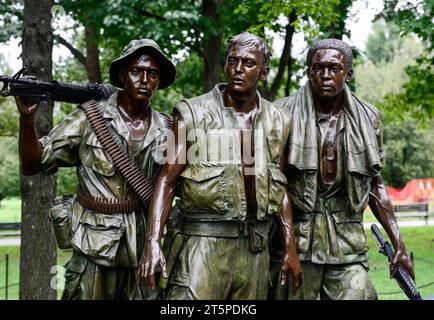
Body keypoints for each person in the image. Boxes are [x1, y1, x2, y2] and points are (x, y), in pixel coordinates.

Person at [139, 32, 302, 300]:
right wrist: (153, 241)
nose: (238, 69)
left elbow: (279, 185)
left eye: (248, 63)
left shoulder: (279, 121)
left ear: (263, 72)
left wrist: (289, 246)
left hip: (254, 250)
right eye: (232, 61)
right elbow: (166, 181)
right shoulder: (193, 113)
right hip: (203, 244)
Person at [14, 39, 176, 300]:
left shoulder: (168, 128)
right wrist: (27, 119)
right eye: (136, 71)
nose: (144, 79)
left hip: (144, 250)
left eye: (153, 73)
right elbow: (33, 164)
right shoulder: (89, 118)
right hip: (94, 249)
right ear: (123, 76)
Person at [269, 38, 415, 300]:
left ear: (348, 73)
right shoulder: (282, 114)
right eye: (319, 68)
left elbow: (375, 185)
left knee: (359, 293)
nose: (326, 75)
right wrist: (289, 247)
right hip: (298, 240)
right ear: (309, 71)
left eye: (334, 68)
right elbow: (276, 186)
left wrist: (398, 243)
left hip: (347, 240)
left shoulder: (367, 117)